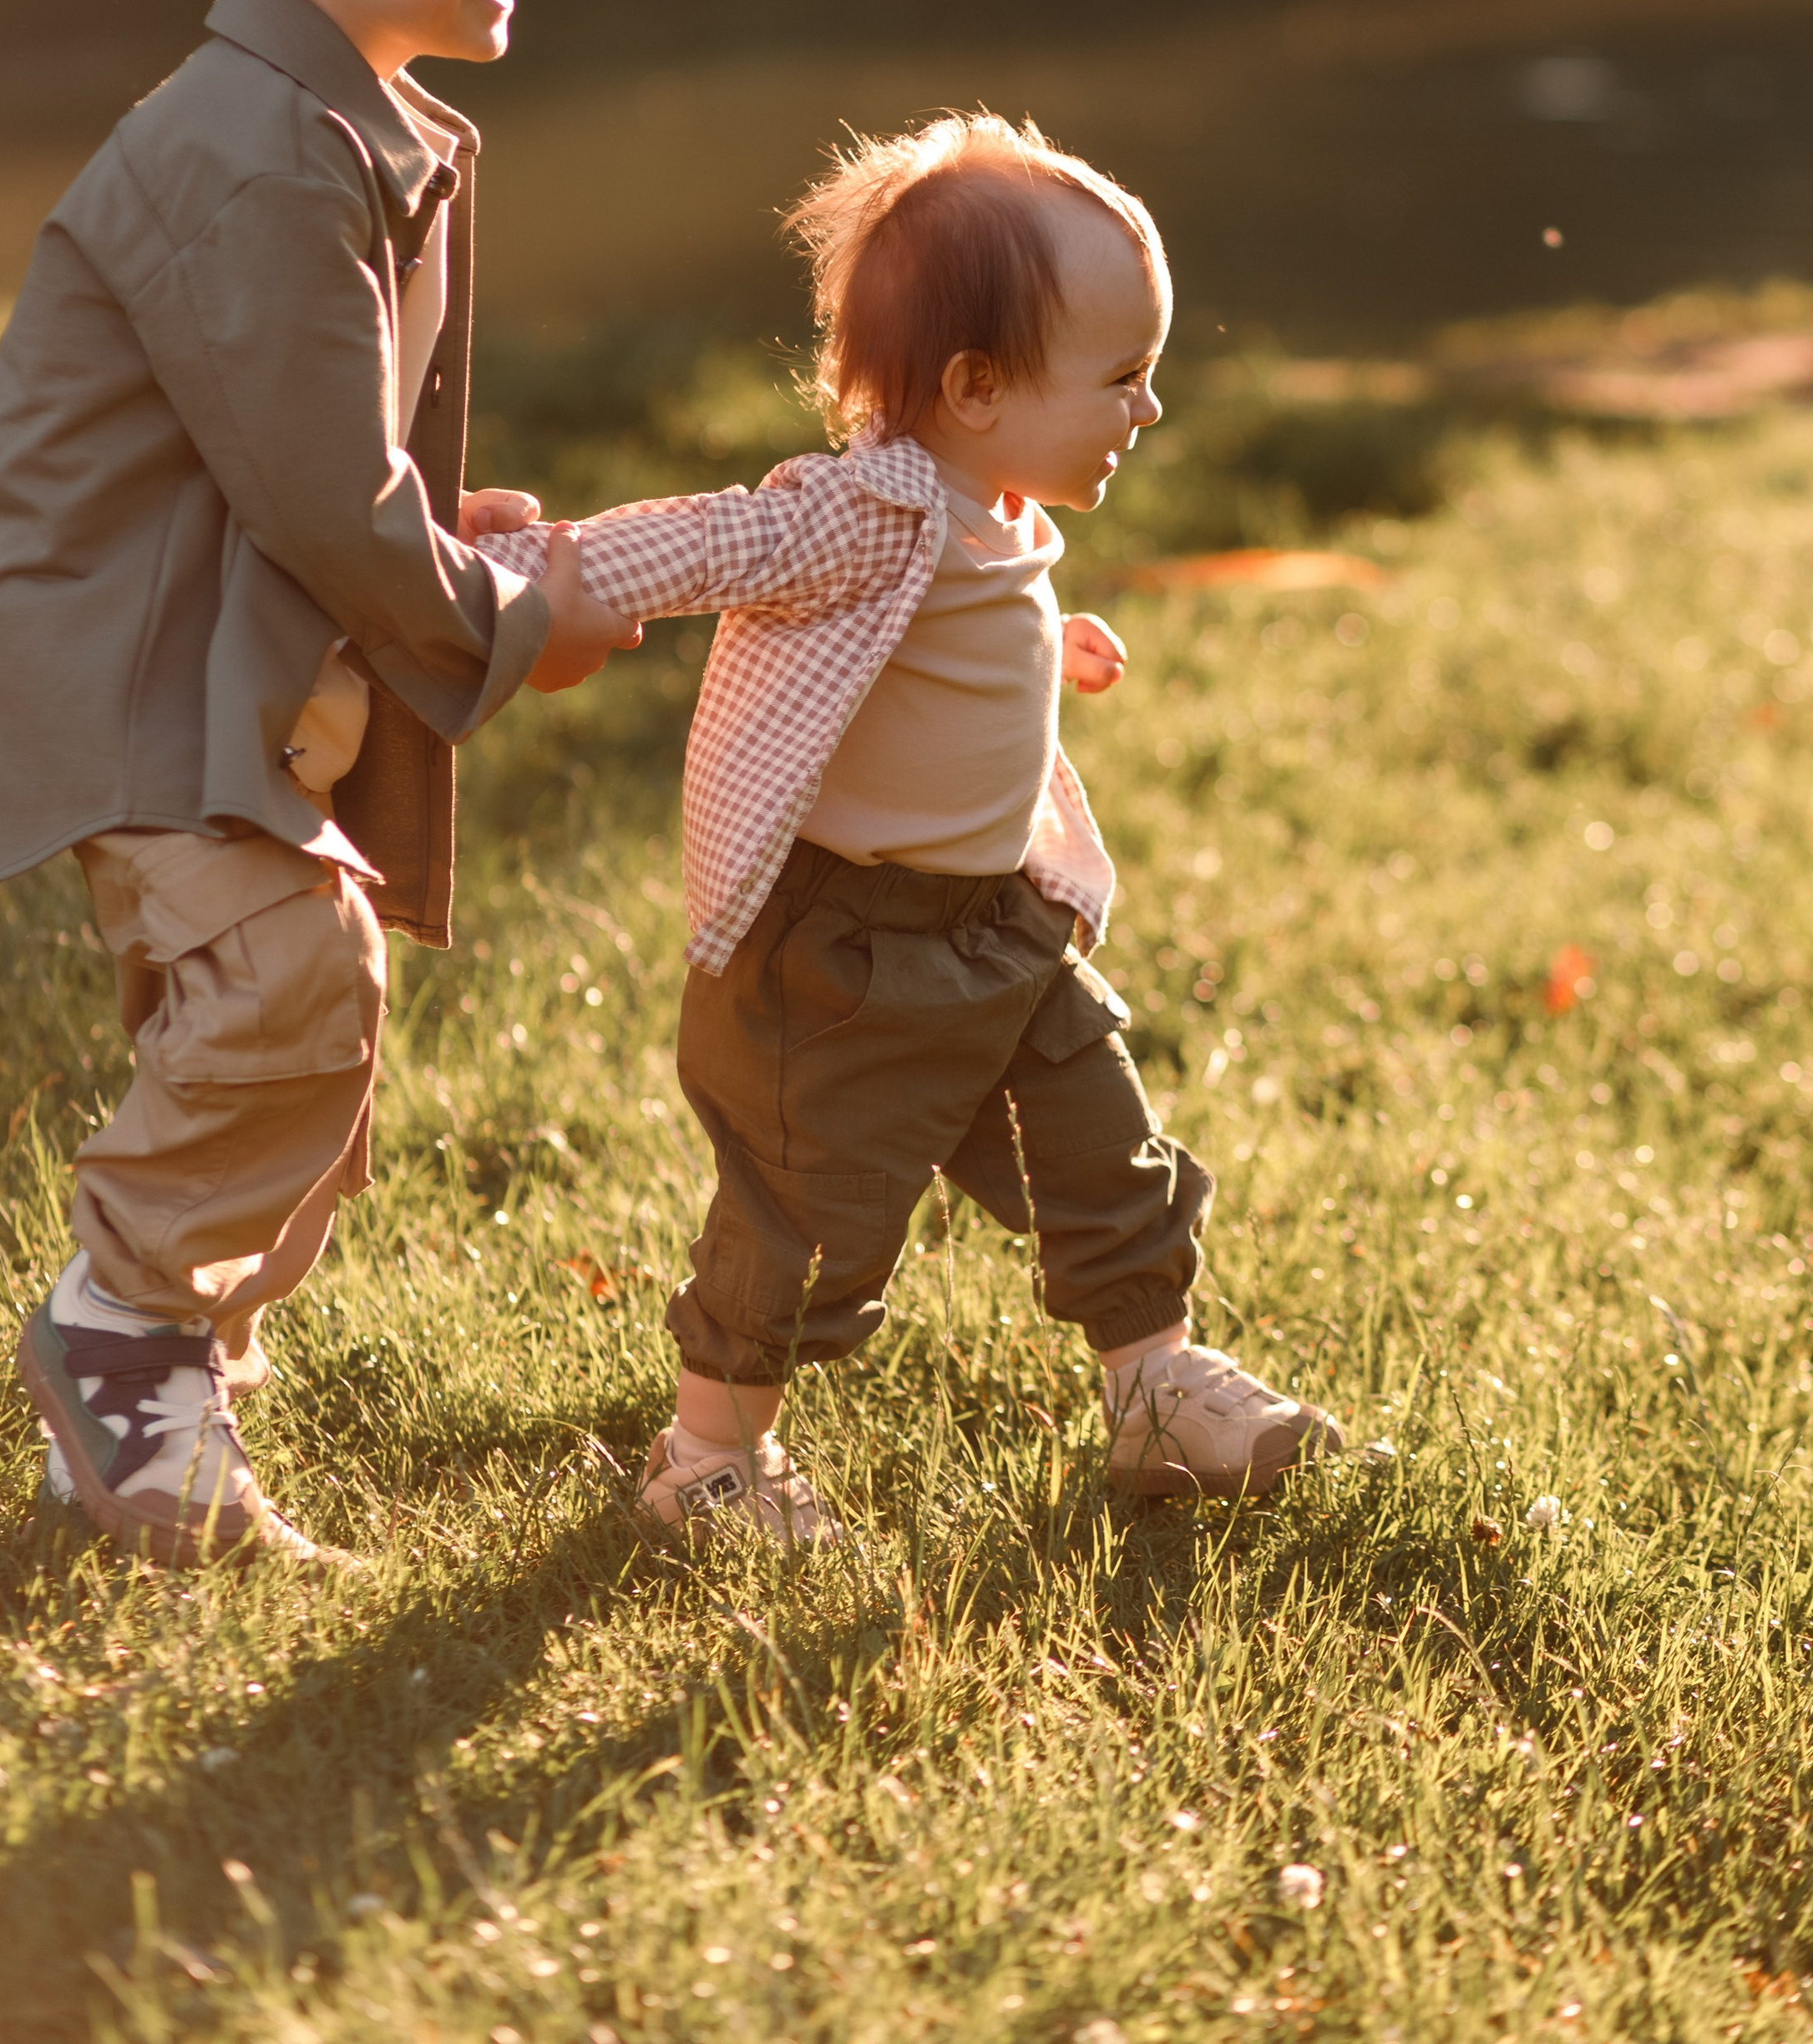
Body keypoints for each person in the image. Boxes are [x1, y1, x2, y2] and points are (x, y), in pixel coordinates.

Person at [0, 0, 636, 1567]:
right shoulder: (251, 148)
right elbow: (318, 494)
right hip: (127, 661)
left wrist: (451, 531)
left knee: (312, 1009)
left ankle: (165, 1386)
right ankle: (119, 1332)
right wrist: (504, 619)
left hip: (214, 641)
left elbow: (326, 455)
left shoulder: (347, 126)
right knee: (286, 975)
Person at [479, 111, 1339, 1548]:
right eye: (1123, 378)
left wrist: (1040, 651)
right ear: (977, 386)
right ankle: (708, 1463)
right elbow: (707, 542)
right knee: (809, 1218)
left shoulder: (989, 511)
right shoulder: (864, 513)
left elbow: (934, 639)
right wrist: (519, 573)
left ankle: (1154, 1389)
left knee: (1101, 1140)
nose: (1149, 412)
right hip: (851, 953)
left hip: (1001, 925)